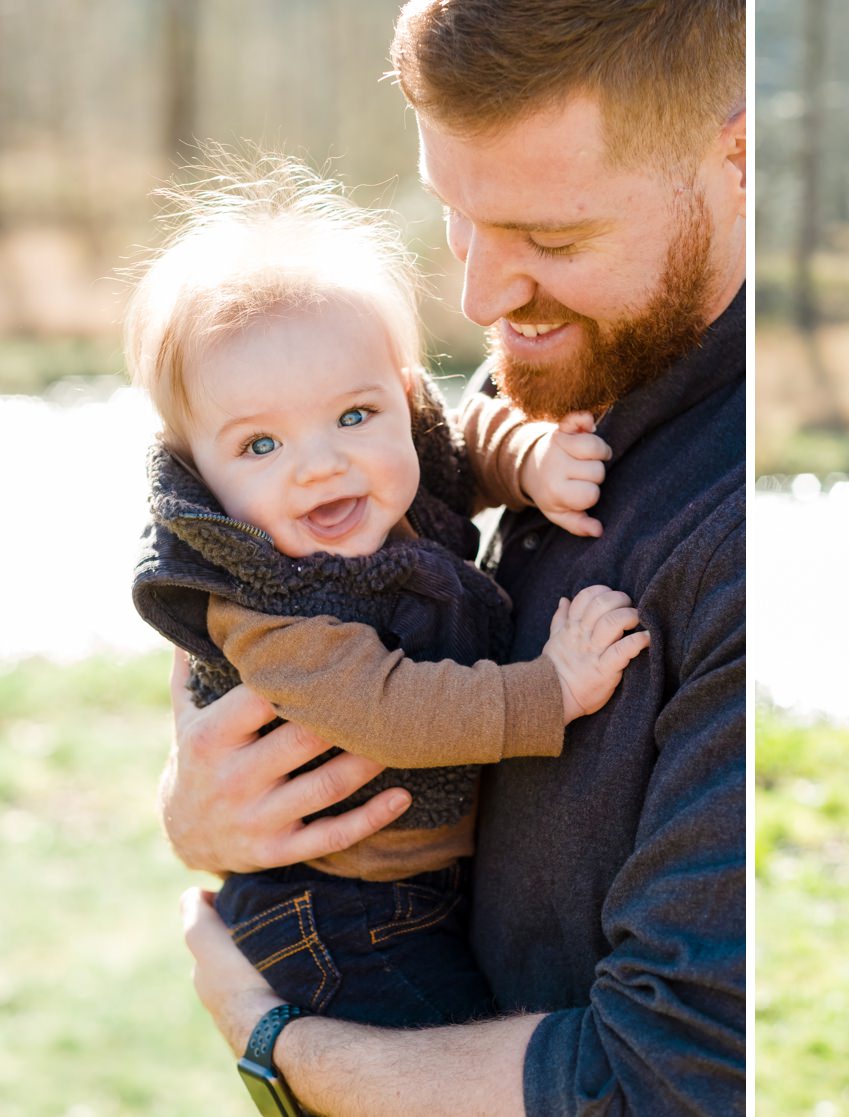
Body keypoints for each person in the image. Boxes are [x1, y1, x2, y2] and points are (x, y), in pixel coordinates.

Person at [166, 2, 747, 1114]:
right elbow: (264, 580)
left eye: (552, 239)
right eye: (455, 216)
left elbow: (671, 1079)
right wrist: (208, 795)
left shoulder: (733, 534)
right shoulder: (553, 355)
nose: (479, 297)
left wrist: (280, 1049)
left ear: (738, 155)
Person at [128, 154, 648, 1029]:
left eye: (354, 415)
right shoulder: (269, 607)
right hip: (333, 911)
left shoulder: (390, 463)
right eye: (261, 446)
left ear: (402, 399)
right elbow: (393, 709)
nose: (322, 462)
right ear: (201, 476)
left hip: (414, 888)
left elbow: (461, 441)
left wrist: (529, 461)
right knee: (439, 1066)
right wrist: (551, 689)